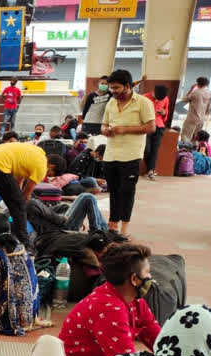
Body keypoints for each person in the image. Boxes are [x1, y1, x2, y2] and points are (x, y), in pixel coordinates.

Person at [60, 243, 160, 356]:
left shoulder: (136, 303)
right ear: (134, 279)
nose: (150, 278)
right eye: (147, 273)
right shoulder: (109, 309)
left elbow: (161, 342)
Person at [101, 69, 156, 236]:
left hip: (131, 155)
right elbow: (103, 124)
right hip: (110, 154)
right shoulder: (111, 102)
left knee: (127, 191)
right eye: (111, 88)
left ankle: (124, 228)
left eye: (116, 88)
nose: (113, 91)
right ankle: (113, 225)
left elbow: (151, 127)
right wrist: (105, 131)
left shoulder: (143, 102)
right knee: (114, 190)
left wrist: (124, 130)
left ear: (127, 86)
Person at [26, 193, 107, 236]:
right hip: (61, 229)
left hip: (57, 225)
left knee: (82, 196)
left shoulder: (28, 202)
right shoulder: (30, 203)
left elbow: (49, 211)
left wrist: (67, 210)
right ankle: (97, 232)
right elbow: (57, 219)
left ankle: (103, 229)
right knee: (88, 197)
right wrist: (66, 217)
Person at [143, 85, 170, 178]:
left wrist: (164, 112)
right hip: (146, 125)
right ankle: (150, 169)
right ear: (153, 91)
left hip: (159, 125)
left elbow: (166, 110)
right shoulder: (144, 97)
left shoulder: (165, 98)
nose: (158, 100)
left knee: (155, 149)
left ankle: (151, 170)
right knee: (146, 149)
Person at [181, 76, 211, 142]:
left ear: (197, 83)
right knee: (196, 137)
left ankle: (184, 151)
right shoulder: (210, 93)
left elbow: (184, 100)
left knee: (186, 136)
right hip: (201, 119)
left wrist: (191, 89)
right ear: (207, 84)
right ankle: (193, 150)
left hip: (192, 118)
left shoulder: (195, 92)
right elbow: (209, 108)